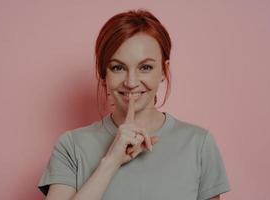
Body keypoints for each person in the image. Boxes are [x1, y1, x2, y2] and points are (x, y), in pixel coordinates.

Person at [37, 9, 231, 200]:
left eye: (145, 67)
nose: (131, 82)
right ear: (104, 75)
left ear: (163, 71)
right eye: (118, 67)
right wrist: (111, 162)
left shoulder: (199, 144)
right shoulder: (71, 146)